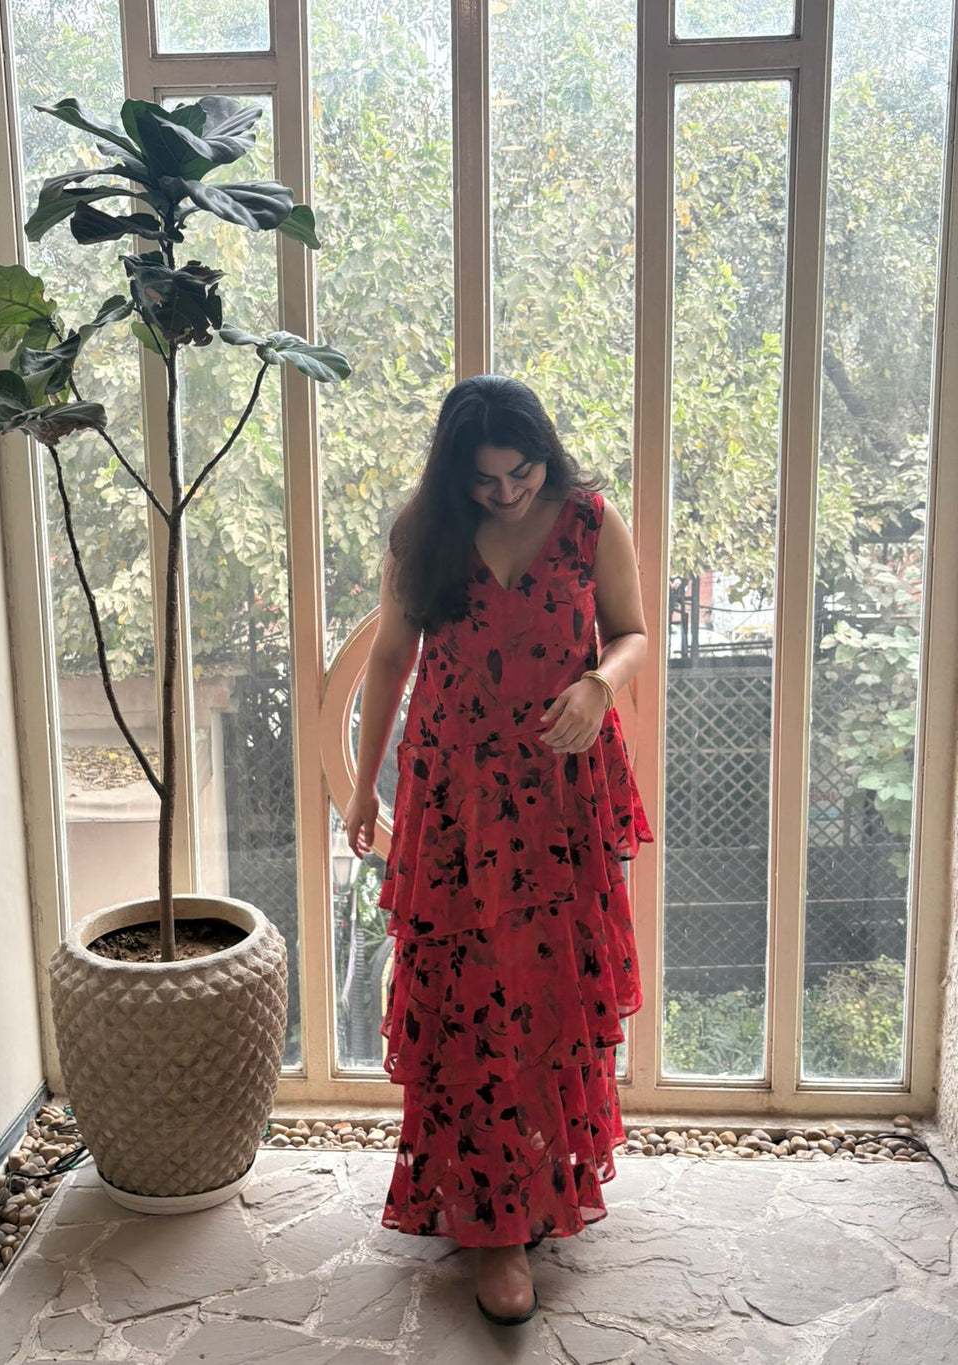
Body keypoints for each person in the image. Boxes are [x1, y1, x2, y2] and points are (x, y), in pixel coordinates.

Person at [344, 374, 654, 1327]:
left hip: (559, 794)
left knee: (552, 990)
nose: (508, 493)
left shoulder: (593, 519)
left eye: (521, 473)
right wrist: (364, 785)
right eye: (485, 481)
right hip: (456, 796)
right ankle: (493, 1224)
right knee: (469, 996)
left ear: (542, 454)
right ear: (455, 473)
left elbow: (633, 633)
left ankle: (536, 1180)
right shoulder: (422, 531)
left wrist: (601, 684)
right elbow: (391, 659)